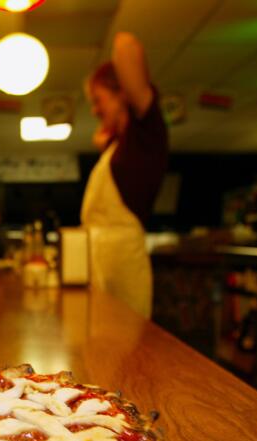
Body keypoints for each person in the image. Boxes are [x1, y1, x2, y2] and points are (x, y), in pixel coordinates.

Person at [82, 32, 168, 318]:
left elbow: (126, 45)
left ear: (122, 93)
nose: (94, 110)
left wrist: (132, 90)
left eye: (98, 99)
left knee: (127, 350)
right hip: (101, 261)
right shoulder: (119, 145)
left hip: (123, 264)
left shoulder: (147, 131)